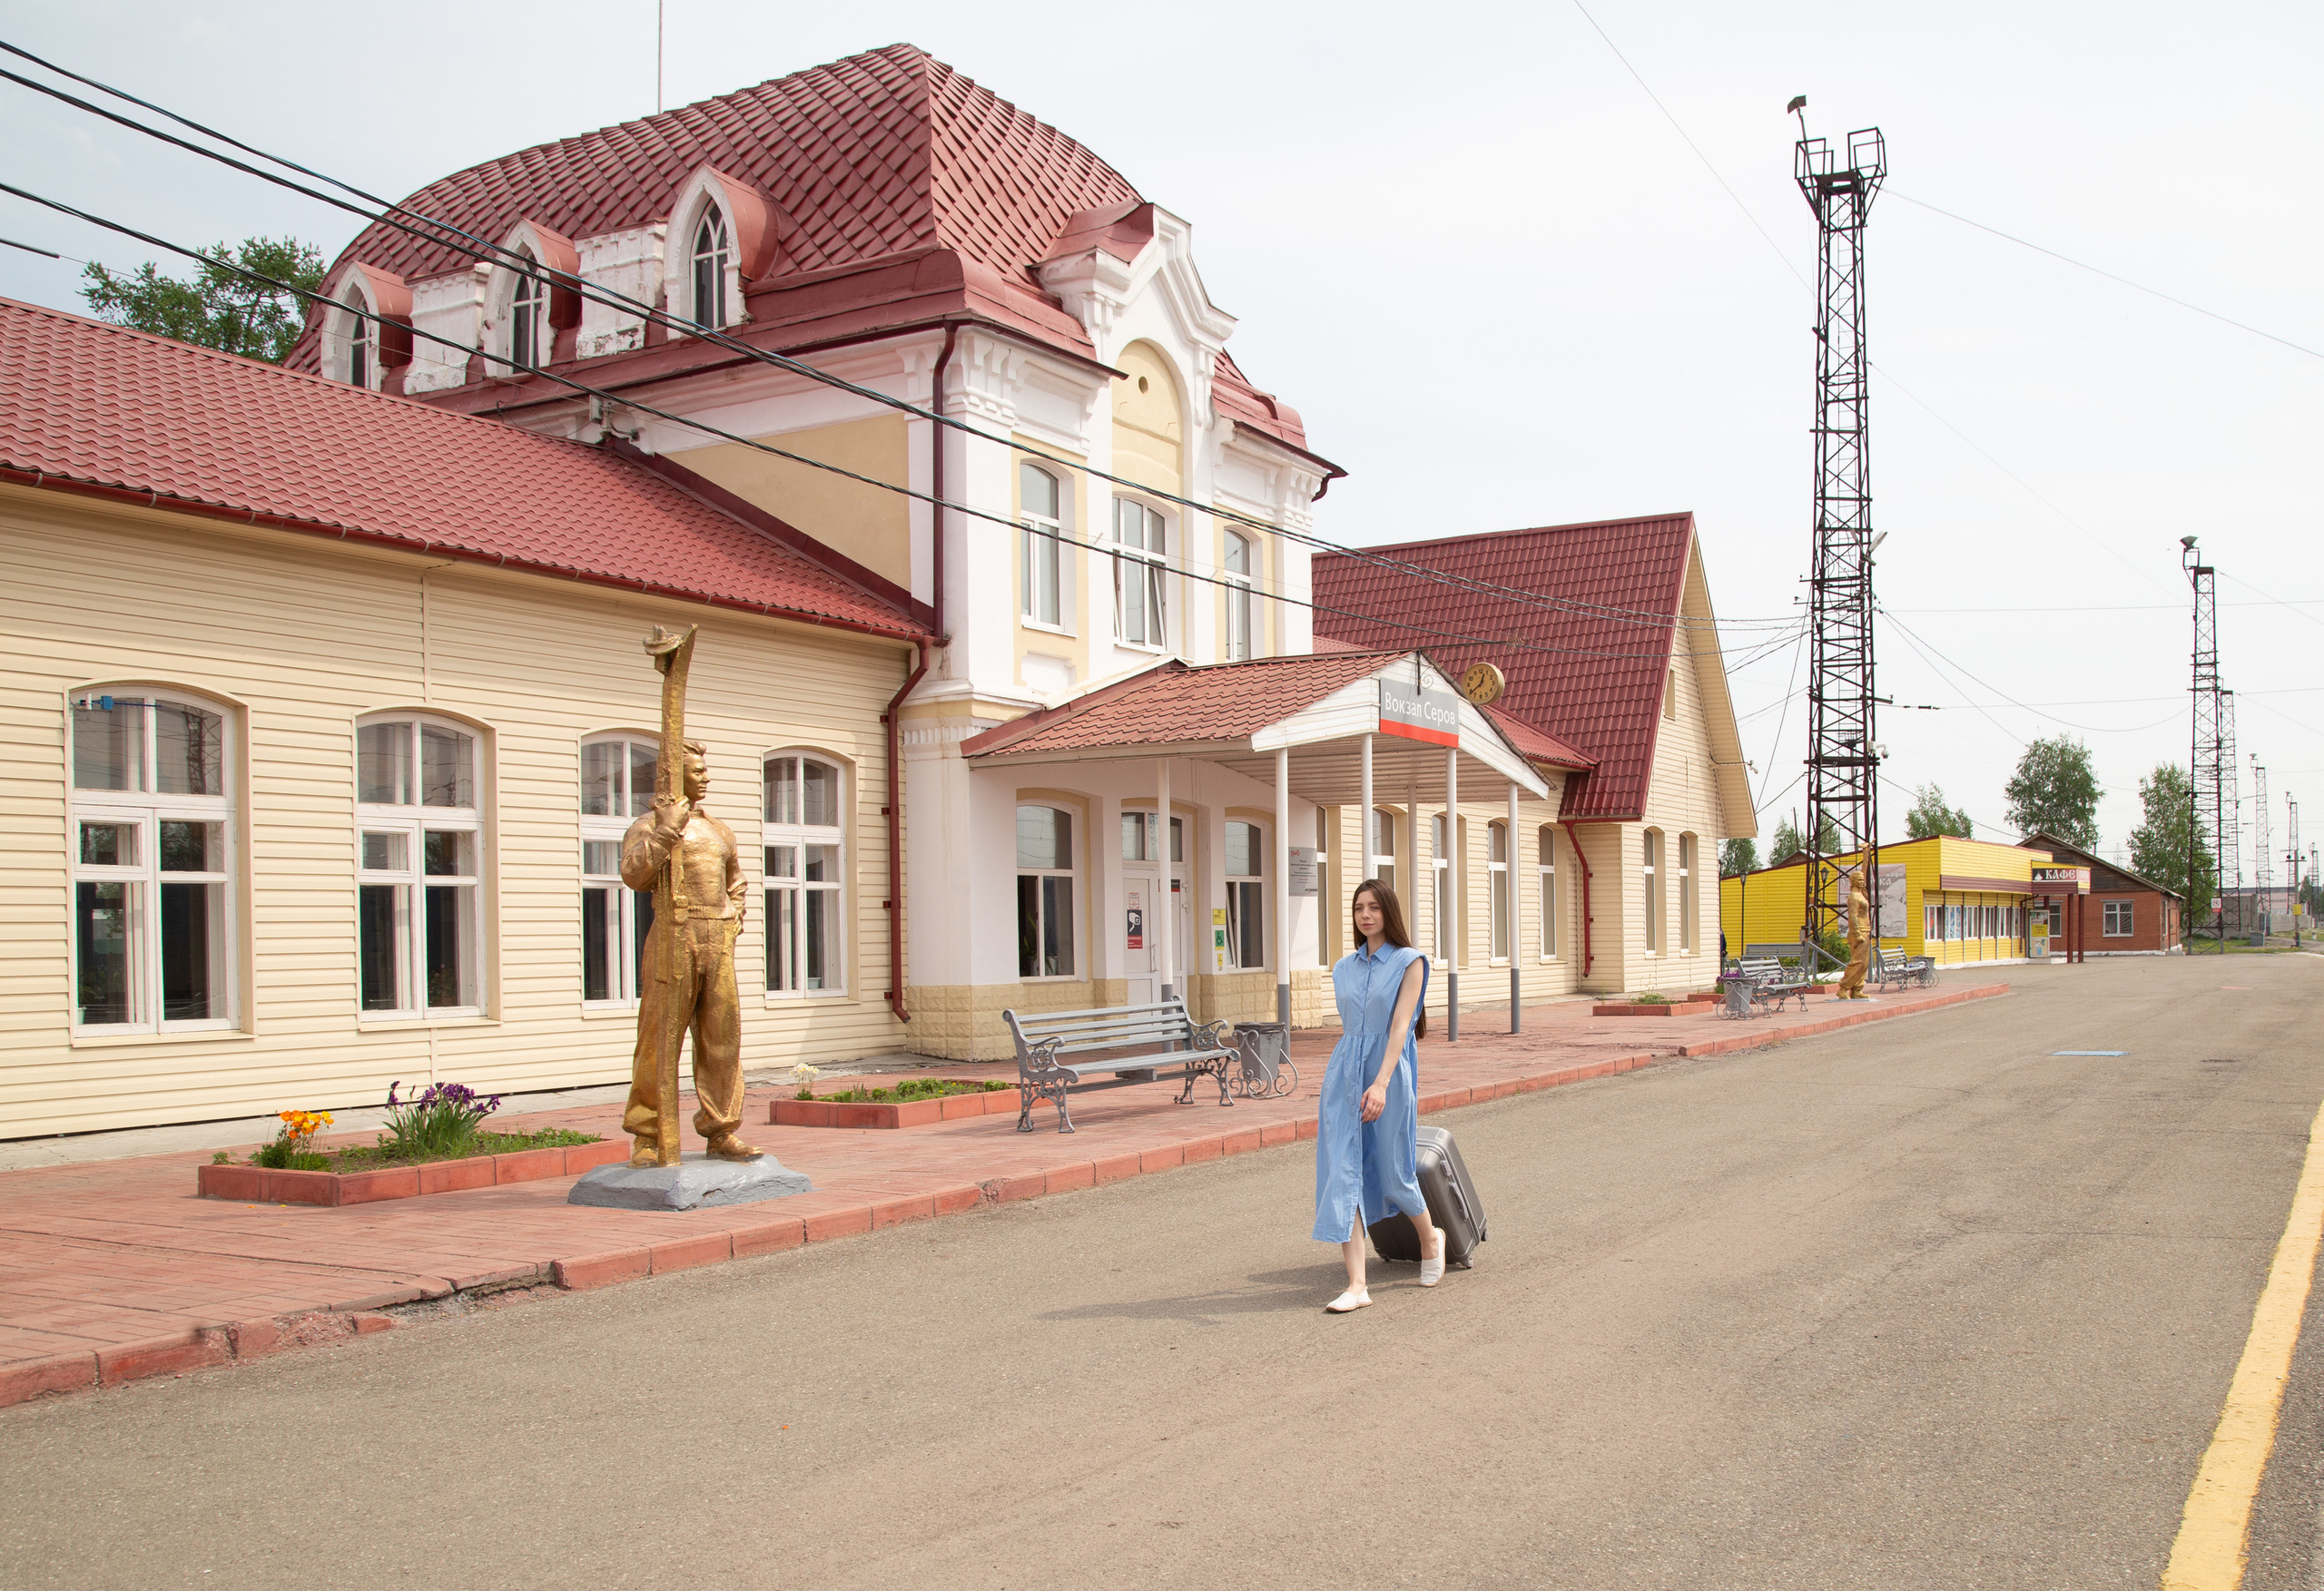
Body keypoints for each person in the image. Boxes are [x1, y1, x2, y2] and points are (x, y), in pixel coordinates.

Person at [618, 738, 764, 1166]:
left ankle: (721, 1131)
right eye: (697, 771)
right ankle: (648, 1135)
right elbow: (634, 875)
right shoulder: (648, 825)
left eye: (705, 769)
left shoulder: (719, 829)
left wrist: (734, 915)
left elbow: (736, 880)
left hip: (716, 938)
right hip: (673, 935)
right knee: (659, 1040)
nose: (706, 776)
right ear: (673, 776)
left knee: (722, 1039)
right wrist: (667, 829)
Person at [1313, 879, 1443, 1312]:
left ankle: (1430, 1239)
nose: (1365, 915)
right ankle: (1357, 1284)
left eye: (1373, 907)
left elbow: (1401, 1027)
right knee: (1342, 1174)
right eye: (1358, 908)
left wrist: (1382, 1083)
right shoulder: (1342, 967)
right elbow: (1353, 1028)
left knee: (1392, 1171)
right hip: (1344, 1076)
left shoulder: (1410, 961)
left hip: (1389, 1074)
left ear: (1388, 911)